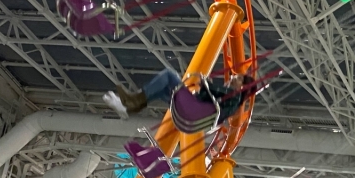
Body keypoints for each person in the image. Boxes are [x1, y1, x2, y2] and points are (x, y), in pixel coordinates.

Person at [103, 69, 257, 125]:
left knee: (169, 75)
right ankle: (127, 109)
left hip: (193, 110)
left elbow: (209, 91)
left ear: (243, 87)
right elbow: (207, 96)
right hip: (193, 113)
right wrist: (205, 87)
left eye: (238, 78)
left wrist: (205, 83)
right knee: (163, 90)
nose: (232, 78)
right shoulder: (229, 101)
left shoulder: (234, 96)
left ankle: (134, 100)